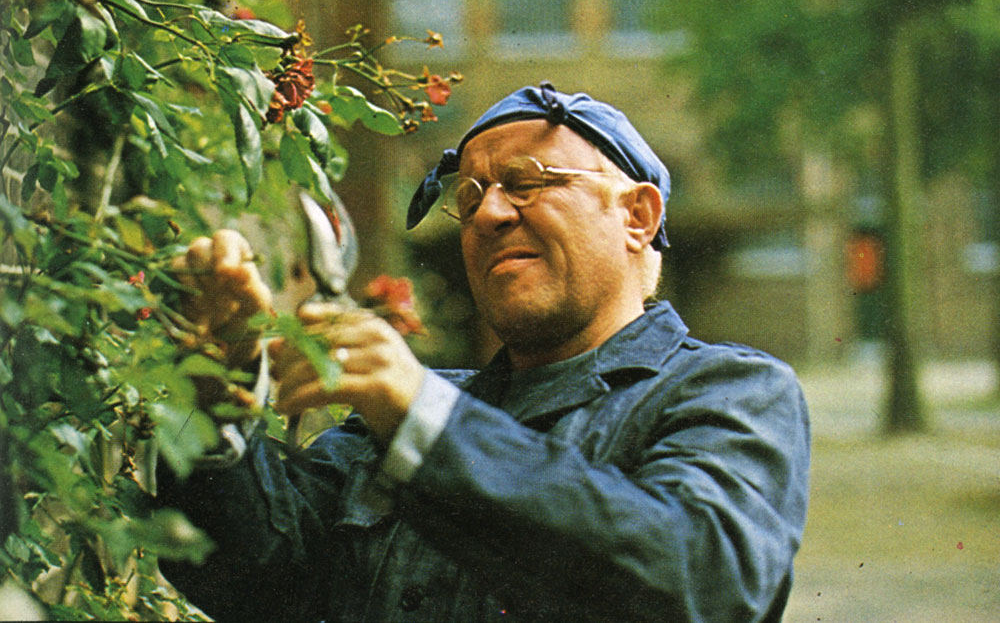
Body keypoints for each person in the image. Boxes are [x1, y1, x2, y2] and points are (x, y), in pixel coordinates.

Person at [158, 83, 810, 623]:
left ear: (638, 216)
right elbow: (256, 584)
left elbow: (702, 585)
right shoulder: (383, 422)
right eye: (468, 197)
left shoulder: (729, 394)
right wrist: (215, 397)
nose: (488, 215)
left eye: (526, 181)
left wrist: (424, 423)